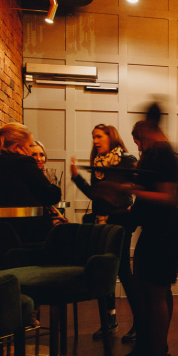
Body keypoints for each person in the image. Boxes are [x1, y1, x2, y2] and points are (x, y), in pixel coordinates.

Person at [109, 103, 178, 356]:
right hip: (157, 229)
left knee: (155, 295)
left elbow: (170, 196)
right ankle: (147, 352)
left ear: (148, 128)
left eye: (140, 137)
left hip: (163, 231)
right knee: (150, 292)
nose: (139, 144)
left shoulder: (164, 154)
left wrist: (128, 189)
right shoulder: (159, 154)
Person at [70, 124, 138, 342]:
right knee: (105, 271)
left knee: (123, 271)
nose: (95, 141)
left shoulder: (126, 159)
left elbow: (137, 189)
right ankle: (109, 321)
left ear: (111, 137)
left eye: (99, 136)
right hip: (101, 222)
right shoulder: (97, 163)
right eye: (93, 137)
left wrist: (130, 208)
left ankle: (140, 322)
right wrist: (76, 177)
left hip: (120, 221)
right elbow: (94, 194)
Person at [0, 123, 62, 243]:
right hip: (26, 237)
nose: (31, 150)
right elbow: (51, 195)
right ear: (16, 147)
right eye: (29, 145)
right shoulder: (23, 162)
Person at [30, 140, 68, 226]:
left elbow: (54, 201)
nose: (39, 159)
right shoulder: (28, 176)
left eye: (42, 155)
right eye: (34, 155)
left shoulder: (49, 175)